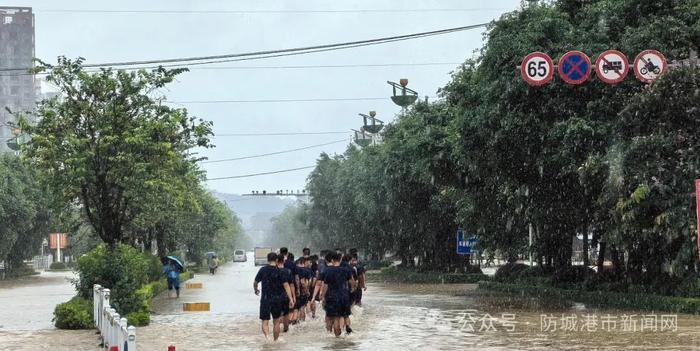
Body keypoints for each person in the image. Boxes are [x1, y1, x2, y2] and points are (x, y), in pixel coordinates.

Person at [254, 252, 294, 341]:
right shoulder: (280, 272)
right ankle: (275, 341)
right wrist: (291, 299)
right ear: (276, 260)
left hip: (265, 299)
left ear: (268, 260)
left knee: (265, 321)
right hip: (277, 300)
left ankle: (268, 338)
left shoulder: (262, 270)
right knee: (276, 322)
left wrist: (255, 289)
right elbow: (286, 285)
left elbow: (255, 282)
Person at [320, 252, 353, 337]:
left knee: (334, 317)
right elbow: (351, 282)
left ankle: (335, 336)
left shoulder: (328, 271)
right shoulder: (346, 270)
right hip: (344, 296)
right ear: (340, 259)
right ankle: (346, 327)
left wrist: (323, 297)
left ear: (332, 260)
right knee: (345, 315)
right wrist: (351, 289)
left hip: (332, 297)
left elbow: (325, 286)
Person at [277, 253, 295, 332]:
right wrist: (293, 297)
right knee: (286, 314)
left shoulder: (273, 271)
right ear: (284, 261)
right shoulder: (288, 271)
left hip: (275, 296)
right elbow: (291, 285)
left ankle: (277, 330)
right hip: (285, 296)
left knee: (277, 315)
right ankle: (285, 330)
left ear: (276, 261)